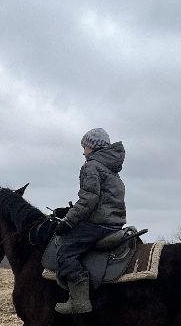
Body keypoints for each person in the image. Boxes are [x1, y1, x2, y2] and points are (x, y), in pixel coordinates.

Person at [54, 128, 127, 314]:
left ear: (93, 147)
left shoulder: (91, 166)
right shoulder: (111, 170)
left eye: (85, 146)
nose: (83, 151)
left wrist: (68, 222)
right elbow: (100, 201)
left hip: (98, 225)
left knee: (65, 251)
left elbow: (89, 200)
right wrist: (70, 210)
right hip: (114, 223)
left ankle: (79, 301)